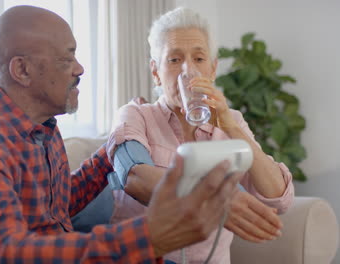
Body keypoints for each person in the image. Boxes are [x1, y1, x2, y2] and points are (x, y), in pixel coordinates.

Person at [0, 5, 244, 263]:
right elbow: (6, 252)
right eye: (67, 58)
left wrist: (113, 146)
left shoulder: (43, 130)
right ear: (22, 70)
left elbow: (60, 205)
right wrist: (149, 235)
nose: (79, 68)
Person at [106, 7, 295, 264]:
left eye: (198, 59)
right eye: (174, 60)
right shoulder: (135, 115)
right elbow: (134, 178)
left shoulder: (232, 122)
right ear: (155, 72)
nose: (187, 70)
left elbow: (279, 198)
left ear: (213, 69)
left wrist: (232, 127)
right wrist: (218, 203)